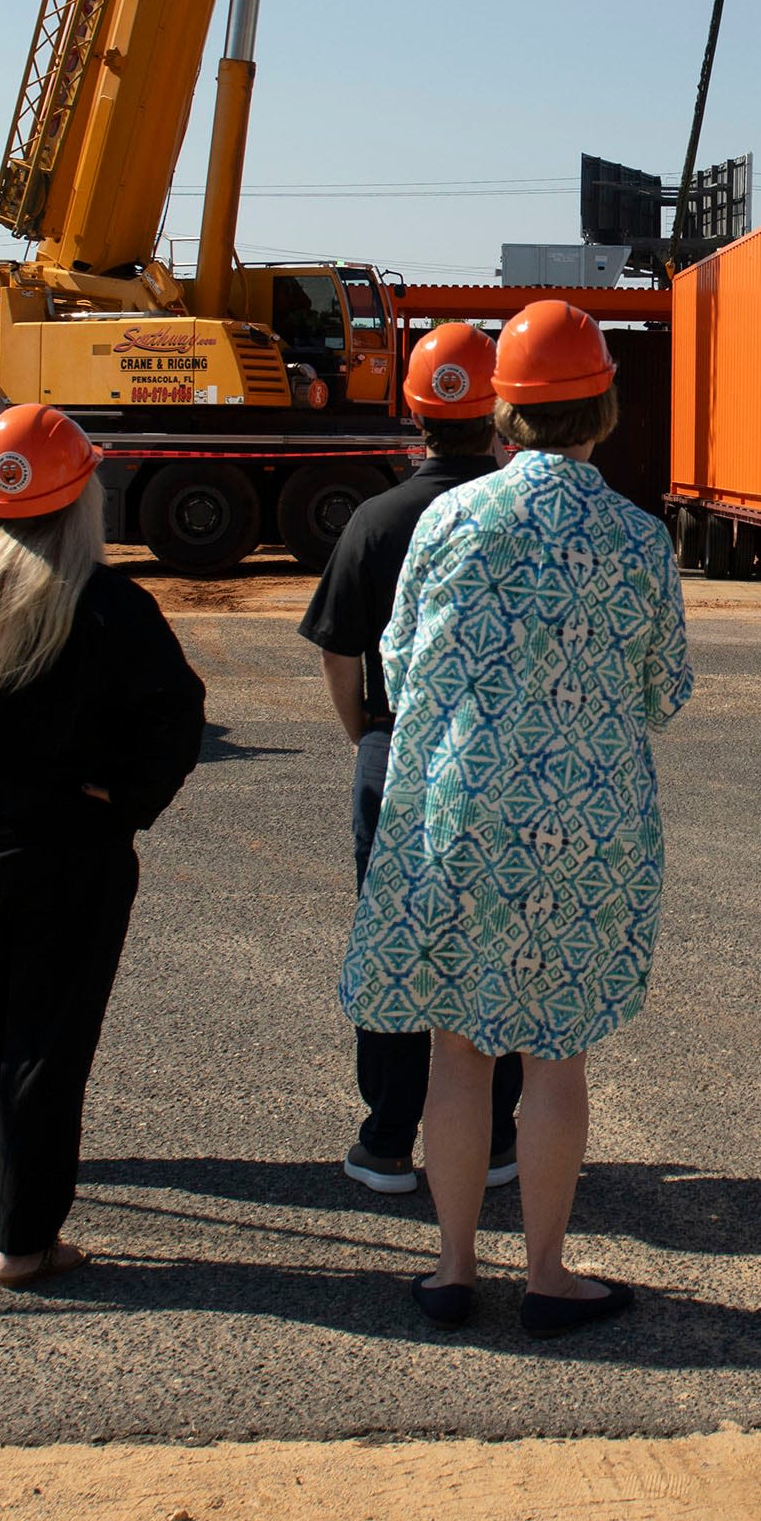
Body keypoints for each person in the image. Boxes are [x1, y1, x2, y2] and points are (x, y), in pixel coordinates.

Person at [339, 301, 690, 1337]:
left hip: (454, 815)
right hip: (584, 826)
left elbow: (395, 667)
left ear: (505, 410)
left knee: (456, 1052)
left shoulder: (447, 519)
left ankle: (452, 1270)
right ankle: (546, 1273)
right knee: (556, 1055)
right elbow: (662, 688)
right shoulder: (637, 535)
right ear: (606, 407)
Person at [0, 403, 205, 1287]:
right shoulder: (106, 604)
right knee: (46, 1041)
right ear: (83, 499)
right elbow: (175, 724)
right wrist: (127, 802)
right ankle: (26, 1242)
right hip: (66, 846)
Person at [298, 321, 524, 1195]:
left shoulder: (376, 518)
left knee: (395, 944)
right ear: (497, 408)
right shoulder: (515, 516)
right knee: (494, 944)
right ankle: (497, 1140)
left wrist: (366, 732)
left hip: (398, 750)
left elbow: (337, 648)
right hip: (499, 756)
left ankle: (388, 1139)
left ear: (415, 413)